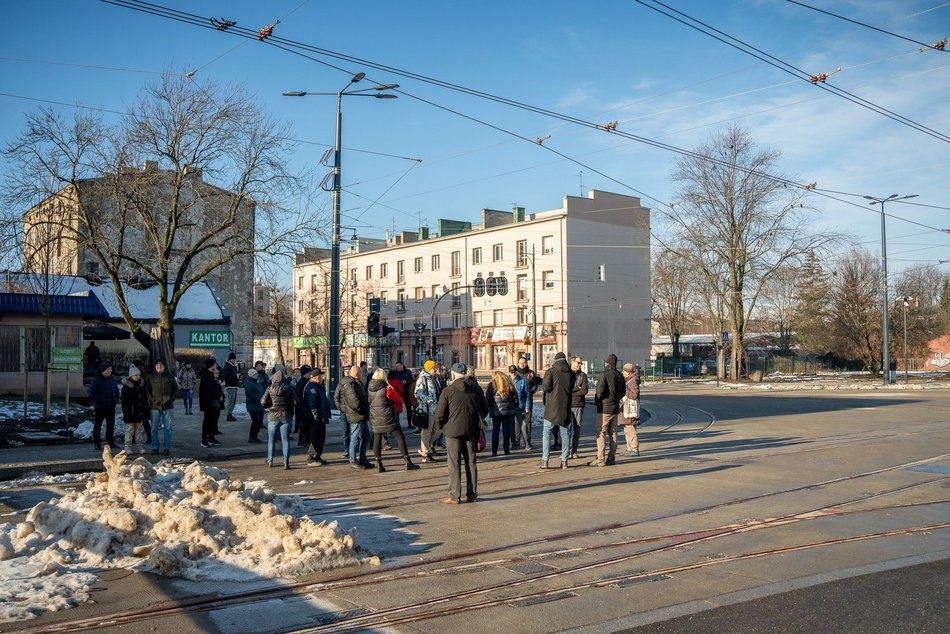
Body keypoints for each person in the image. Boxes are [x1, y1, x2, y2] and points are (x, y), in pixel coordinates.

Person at [434, 363, 487, 504]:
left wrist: (442, 427)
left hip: (452, 432)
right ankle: (472, 494)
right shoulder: (476, 389)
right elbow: (484, 409)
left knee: (454, 464)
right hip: (471, 431)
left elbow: (439, 414)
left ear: (453, 375)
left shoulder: (448, 391)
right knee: (471, 462)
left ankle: (454, 495)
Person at [367, 368, 419, 472]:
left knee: (377, 439)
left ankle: (379, 464)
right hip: (388, 416)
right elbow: (396, 399)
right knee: (399, 437)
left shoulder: (370, 388)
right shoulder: (387, 387)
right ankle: (407, 461)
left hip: (375, 416)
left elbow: (369, 400)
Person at [540, 352, 575, 469]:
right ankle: (564, 460)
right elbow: (571, 388)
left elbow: (546, 387)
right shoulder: (571, 373)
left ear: (556, 360)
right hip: (565, 407)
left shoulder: (551, 371)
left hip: (551, 408)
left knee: (547, 432)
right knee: (565, 434)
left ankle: (545, 460)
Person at [335, 364, 372, 469]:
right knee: (355, 438)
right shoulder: (349, 384)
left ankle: (363, 459)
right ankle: (353, 460)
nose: (362, 374)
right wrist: (363, 409)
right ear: (356, 374)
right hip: (356, 415)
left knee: (366, 437)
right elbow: (354, 403)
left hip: (361, 415)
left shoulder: (356, 383)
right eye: (360, 372)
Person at [591, 353, 624, 467]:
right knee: (613, 432)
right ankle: (612, 456)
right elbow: (623, 392)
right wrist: (616, 399)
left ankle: (600, 457)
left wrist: (598, 400)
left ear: (608, 363)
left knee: (600, 432)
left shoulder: (604, 374)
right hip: (615, 408)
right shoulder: (620, 375)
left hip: (604, 408)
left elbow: (599, 391)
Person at [260, 370, 296, 469]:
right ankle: (286, 462)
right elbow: (296, 402)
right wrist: (288, 406)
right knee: (285, 440)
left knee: (271, 440)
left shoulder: (270, 389)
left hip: (273, 416)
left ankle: (270, 460)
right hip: (285, 416)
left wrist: (270, 406)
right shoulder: (289, 389)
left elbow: (262, 402)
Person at [414, 360, 443, 463]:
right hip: (427, 410)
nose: (435, 370)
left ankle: (427, 448)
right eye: (434, 368)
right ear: (429, 368)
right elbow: (417, 393)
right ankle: (426, 454)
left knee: (438, 429)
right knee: (426, 432)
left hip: (435, 409)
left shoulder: (433, 378)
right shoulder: (422, 379)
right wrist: (430, 400)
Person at [147, 359, 178, 455]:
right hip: (155, 407)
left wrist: (171, 399)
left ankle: (166, 447)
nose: (159, 367)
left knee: (168, 428)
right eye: (157, 365)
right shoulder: (151, 377)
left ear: (164, 367)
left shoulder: (169, 376)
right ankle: (155, 447)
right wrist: (152, 399)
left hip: (168, 406)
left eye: (161, 365)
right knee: (154, 428)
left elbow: (176, 389)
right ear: (155, 367)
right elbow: (147, 390)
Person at [485, 370, 518, 456]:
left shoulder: (492, 386)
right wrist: (514, 406)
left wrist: (489, 407)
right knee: (506, 431)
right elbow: (515, 398)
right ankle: (506, 450)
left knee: (495, 431)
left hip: (496, 412)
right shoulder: (509, 385)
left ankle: (494, 451)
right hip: (507, 411)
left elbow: (488, 399)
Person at [88, 362, 119, 451]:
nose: (110, 371)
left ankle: (110, 442)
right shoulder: (96, 380)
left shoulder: (112, 379)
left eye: (111, 369)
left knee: (111, 425)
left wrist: (115, 400)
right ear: (103, 371)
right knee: (98, 425)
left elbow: (116, 391)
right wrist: (99, 402)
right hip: (100, 407)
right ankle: (97, 443)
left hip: (111, 406)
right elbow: (92, 393)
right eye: (108, 369)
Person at [303, 368, 331, 465]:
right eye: (321, 376)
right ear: (315, 378)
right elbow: (312, 404)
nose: (323, 378)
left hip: (321, 417)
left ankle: (317, 456)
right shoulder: (311, 387)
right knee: (315, 438)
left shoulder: (319, 386)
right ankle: (312, 457)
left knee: (320, 438)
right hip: (315, 418)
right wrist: (316, 417)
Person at [121, 366, 149, 454]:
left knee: (139, 432)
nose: (137, 376)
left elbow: (144, 400)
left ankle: (140, 447)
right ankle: (127, 447)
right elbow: (124, 403)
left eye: (138, 375)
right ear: (131, 376)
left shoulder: (141, 386)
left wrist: (145, 412)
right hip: (130, 413)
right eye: (135, 375)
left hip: (139, 413)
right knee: (129, 431)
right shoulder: (126, 387)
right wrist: (126, 414)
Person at [198, 358, 225, 448]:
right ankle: (204, 439)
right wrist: (218, 395)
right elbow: (208, 390)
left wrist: (220, 395)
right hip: (209, 402)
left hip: (213, 402)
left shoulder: (211, 375)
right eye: (215, 364)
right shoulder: (207, 376)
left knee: (213, 420)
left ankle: (211, 437)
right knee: (207, 421)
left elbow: (216, 388)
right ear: (211, 365)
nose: (216, 366)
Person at [620, 363, 642, 457]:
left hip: (630, 410)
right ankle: (629, 448)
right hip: (626, 409)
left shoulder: (633, 381)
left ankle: (634, 449)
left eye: (623, 371)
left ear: (628, 373)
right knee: (627, 429)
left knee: (631, 429)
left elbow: (634, 395)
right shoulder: (629, 380)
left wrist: (624, 390)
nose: (622, 372)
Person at [569, 356, 589, 459]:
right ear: (572, 362)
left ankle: (574, 451)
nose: (580, 365)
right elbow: (566, 389)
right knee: (567, 429)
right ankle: (566, 451)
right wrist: (577, 388)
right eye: (578, 363)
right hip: (567, 404)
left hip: (579, 405)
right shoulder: (567, 373)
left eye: (581, 363)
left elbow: (584, 391)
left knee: (577, 429)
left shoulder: (583, 375)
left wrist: (572, 391)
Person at [509, 365, 531, 450]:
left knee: (524, 424)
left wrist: (527, 406)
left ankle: (527, 443)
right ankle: (514, 443)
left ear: (516, 371)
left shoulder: (522, 381)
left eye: (514, 372)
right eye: (511, 372)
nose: (513, 374)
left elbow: (527, 395)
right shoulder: (507, 381)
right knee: (511, 426)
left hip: (519, 406)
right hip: (510, 407)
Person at [244, 368, 265, 443]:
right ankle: (252, 437)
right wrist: (258, 398)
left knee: (259, 422)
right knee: (256, 422)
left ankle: (255, 436)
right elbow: (249, 393)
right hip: (253, 405)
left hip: (259, 405)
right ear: (251, 375)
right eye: (255, 374)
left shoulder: (255, 382)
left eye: (257, 374)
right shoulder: (249, 382)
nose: (257, 375)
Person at [294, 365, 312, 444]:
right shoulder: (302, 383)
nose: (310, 374)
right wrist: (302, 406)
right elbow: (299, 396)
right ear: (305, 373)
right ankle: (302, 439)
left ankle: (305, 439)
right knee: (304, 424)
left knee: (306, 425)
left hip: (305, 406)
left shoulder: (306, 382)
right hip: (303, 407)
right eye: (309, 373)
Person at [222, 352, 241, 422]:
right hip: (230, 386)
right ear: (230, 359)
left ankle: (230, 414)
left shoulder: (233, 365)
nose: (234, 360)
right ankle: (229, 415)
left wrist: (238, 376)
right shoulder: (227, 366)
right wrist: (236, 376)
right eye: (233, 359)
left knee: (233, 401)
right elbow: (226, 376)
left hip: (234, 385)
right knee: (231, 401)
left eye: (234, 359)